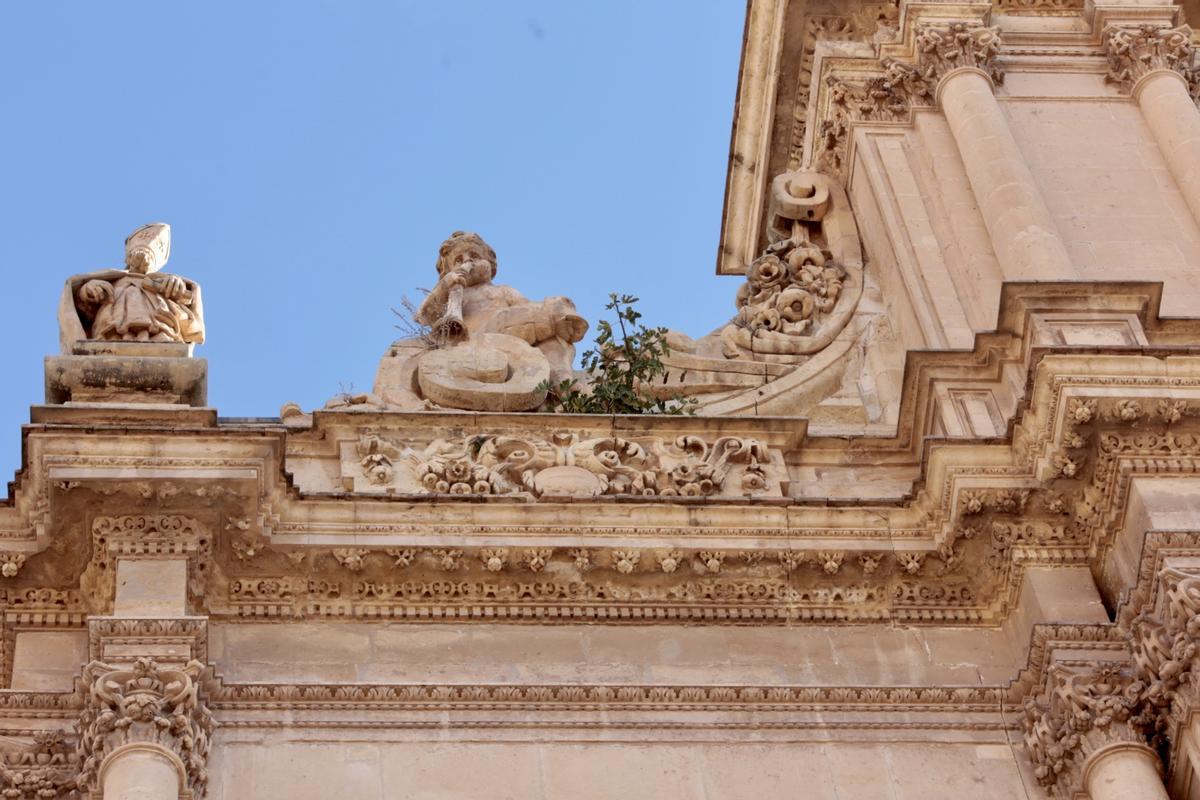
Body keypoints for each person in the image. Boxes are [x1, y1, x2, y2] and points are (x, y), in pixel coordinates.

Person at [59, 223, 204, 350]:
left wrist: (176, 284)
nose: (142, 258)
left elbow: (187, 302)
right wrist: (88, 289)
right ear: (128, 258)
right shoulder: (114, 279)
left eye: (148, 255)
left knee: (164, 341)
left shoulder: (162, 282)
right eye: (138, 253)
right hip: (112, 330)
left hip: (159, 330)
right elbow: (80, 304)